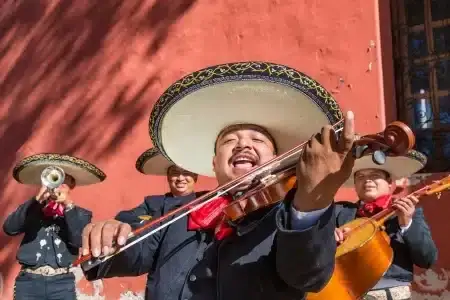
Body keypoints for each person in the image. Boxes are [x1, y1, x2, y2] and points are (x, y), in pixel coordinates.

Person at [79, 61, 356, 300]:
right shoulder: (172, 211)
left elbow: (307, 275)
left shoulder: (288, 217)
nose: (242, 146)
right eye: (229, 141)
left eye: (257, 140)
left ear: (276, 158)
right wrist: (110, 234)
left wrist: (312, 201)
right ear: (214, 163)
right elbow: (127, 253)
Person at [334, 149, 438, 300]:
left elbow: (427, 259)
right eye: (361, 177)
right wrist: (328, 240)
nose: (367, 180)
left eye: (375, 175)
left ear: (390, 183)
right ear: (355, 184)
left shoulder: (409, 212)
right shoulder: (339, 212)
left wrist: (406, 223)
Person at [3, 153, 106, 300]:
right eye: (55, 178)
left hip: (62, 283)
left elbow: (78, 240)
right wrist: (37, 199)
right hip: (28, 282)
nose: (58, 184)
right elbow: (10, 228)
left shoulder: (81, 214)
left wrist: (68, 205)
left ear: (72, 186)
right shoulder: (32, 209)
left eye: (64, 180)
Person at [116, 147, 207, 224]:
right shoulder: (153, 202)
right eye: (175, 173)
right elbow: (124, 217)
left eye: (186, 173)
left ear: (195, 177)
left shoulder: (206, 199)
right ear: (168, 177)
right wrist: (150, 220)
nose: (180, 178)